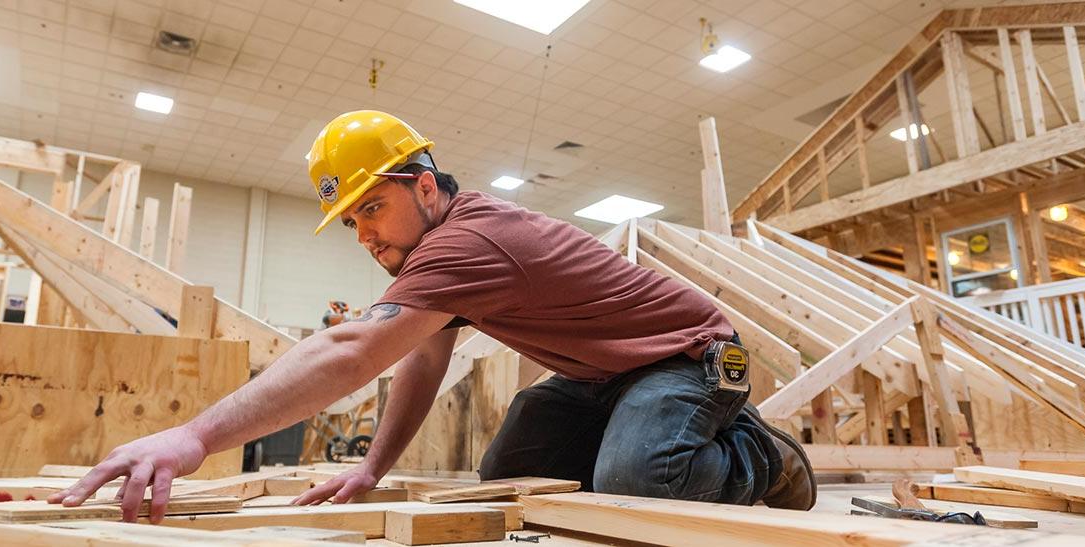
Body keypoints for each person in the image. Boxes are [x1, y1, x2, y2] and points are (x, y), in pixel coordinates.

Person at [47, 111, 815, 523]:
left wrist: (194, 436)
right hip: (608, 375)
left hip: (693, 357)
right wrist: (373, 466)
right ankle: (647, 448)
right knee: (507, 479)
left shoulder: (468, 240)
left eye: (373, 207)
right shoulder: (436, 261)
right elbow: (419, 358)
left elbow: (352, 349)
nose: (367, 234)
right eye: (351, 221)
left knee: (638, 477)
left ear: (423, 185)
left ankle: (761, 458)